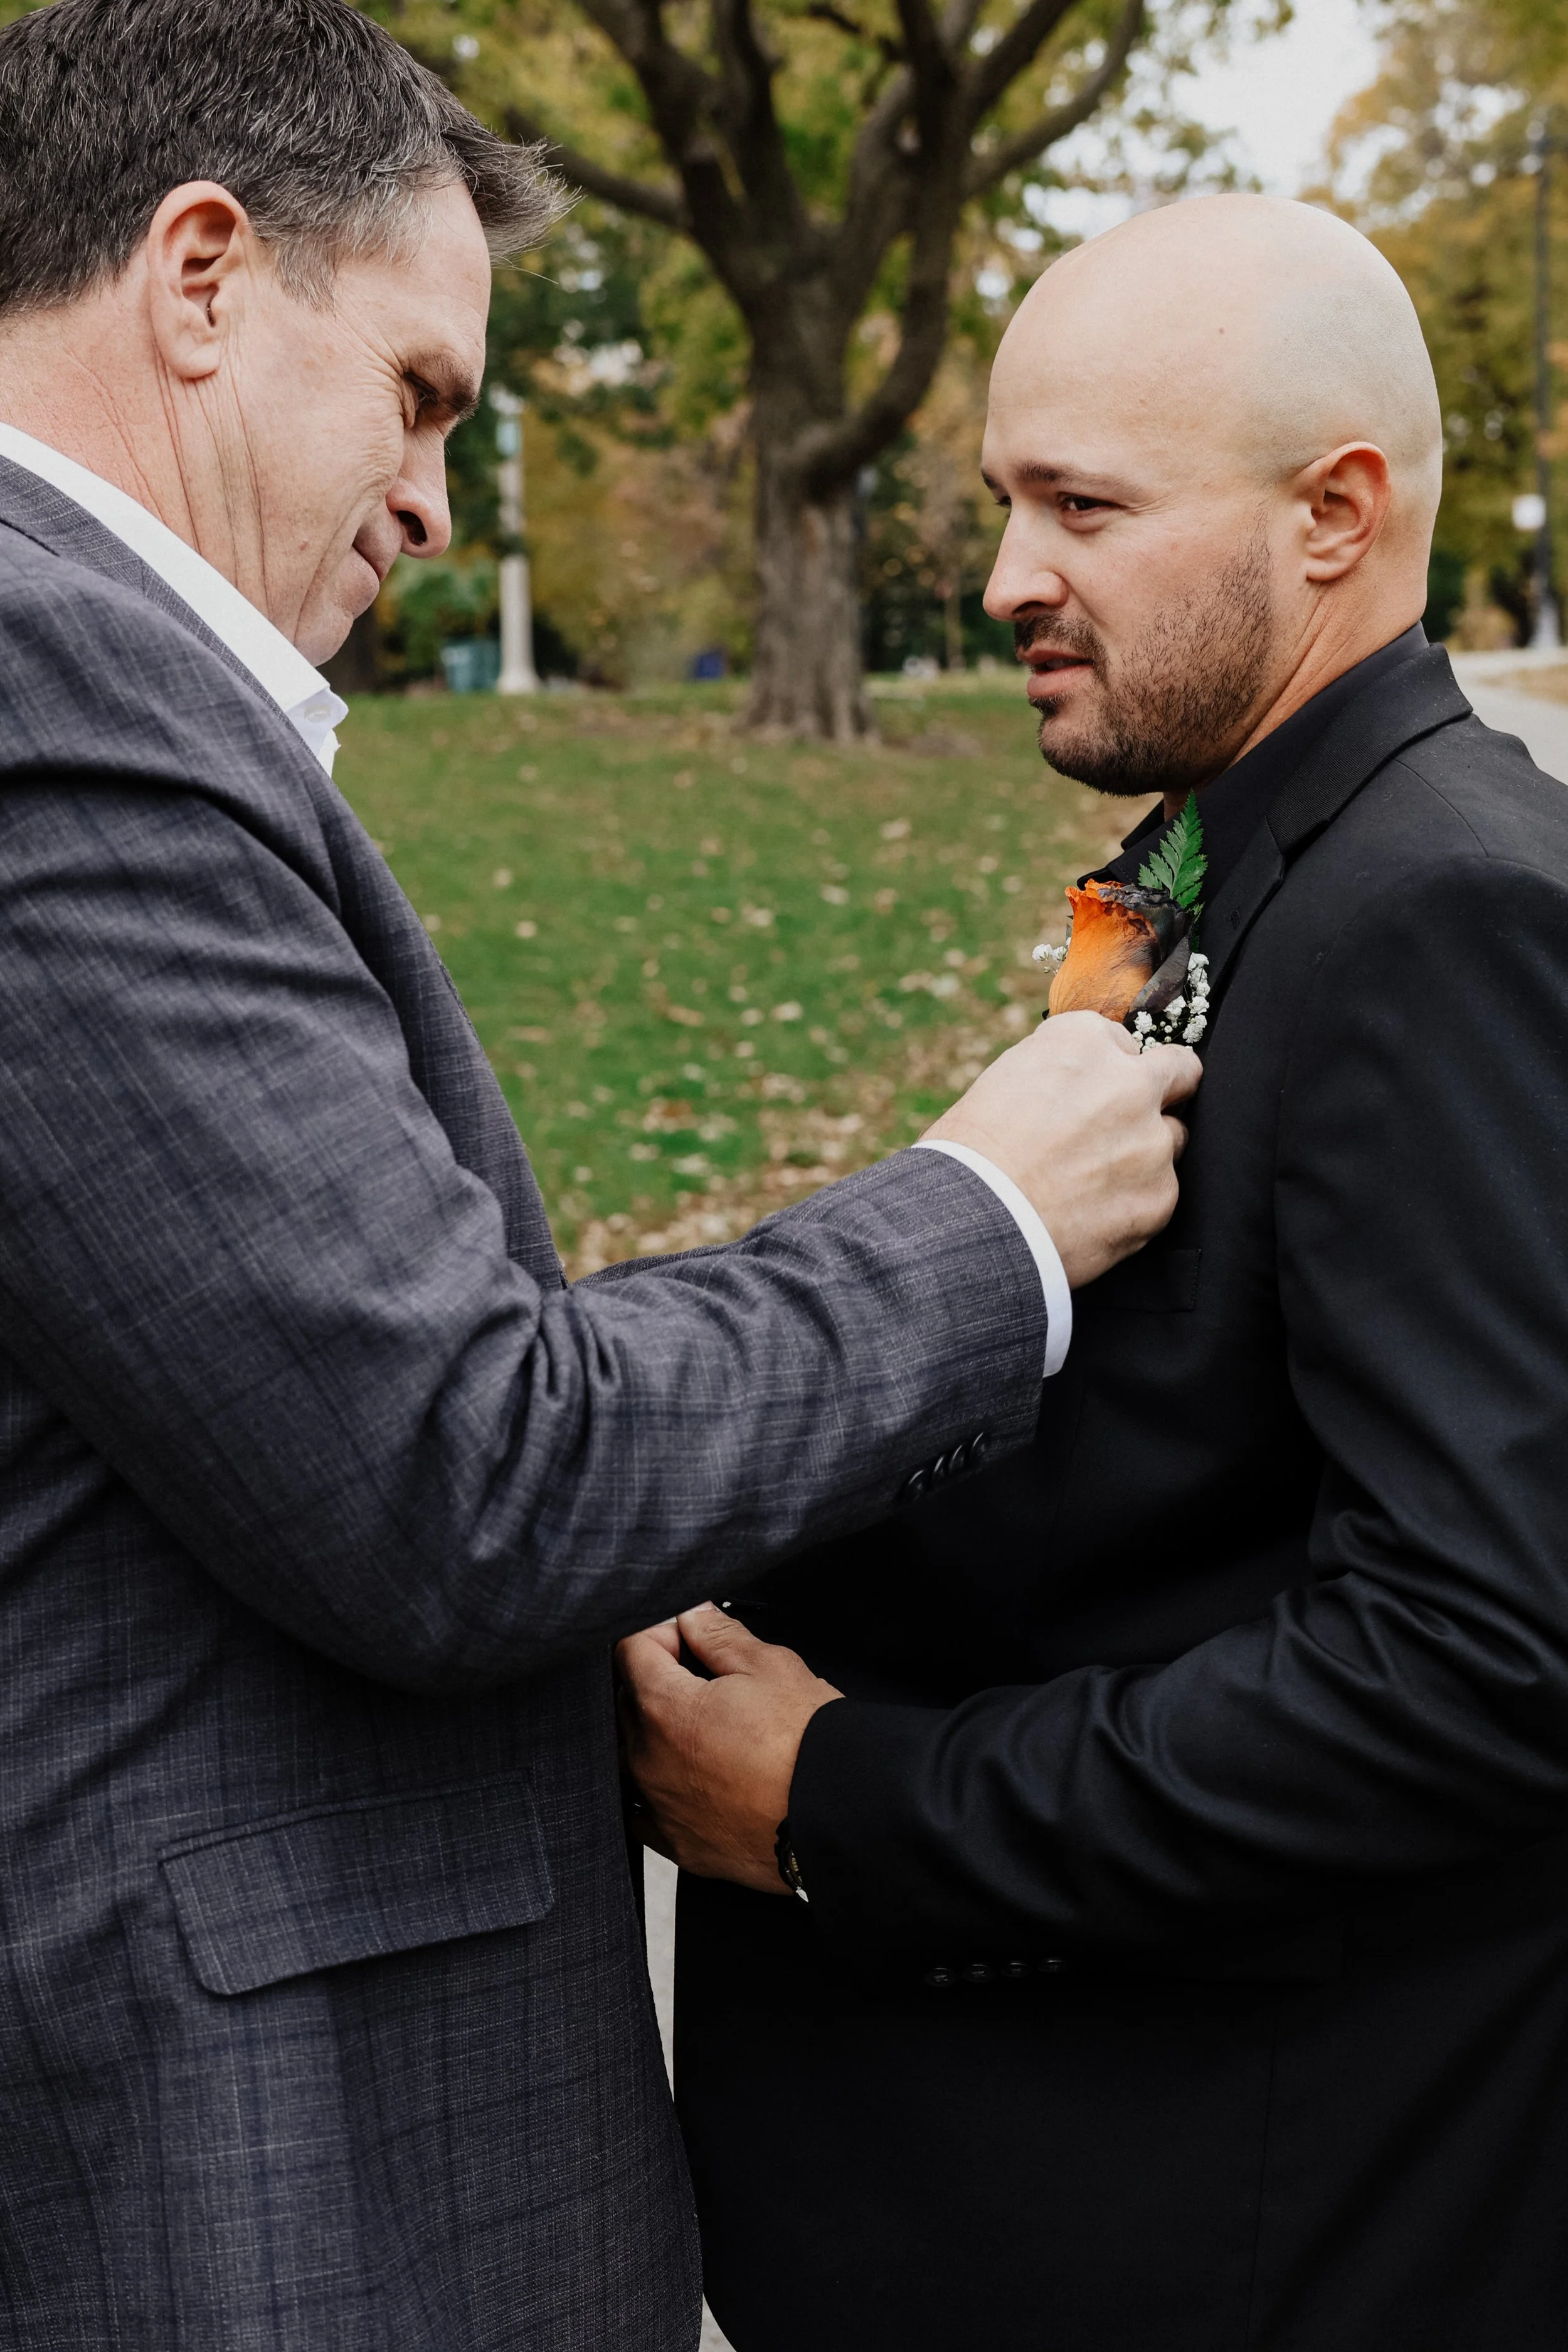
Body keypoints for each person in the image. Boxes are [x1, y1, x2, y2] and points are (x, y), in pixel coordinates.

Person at [0, 4, 1200, 2346]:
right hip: (247, 2197)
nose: (443, 500)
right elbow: (456, 1465)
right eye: (428, 393)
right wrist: (982, 1214)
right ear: (204, 277)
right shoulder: (52, 700)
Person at [620, 193, 1568, 2352]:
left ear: (1332, 516)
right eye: (999, 500)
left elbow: (1481, 1658)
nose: (1004, 576)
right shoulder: (1226, 845)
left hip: (1221, 2232)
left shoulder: (1442, 912)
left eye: (1081, 504)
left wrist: (844, 1808)